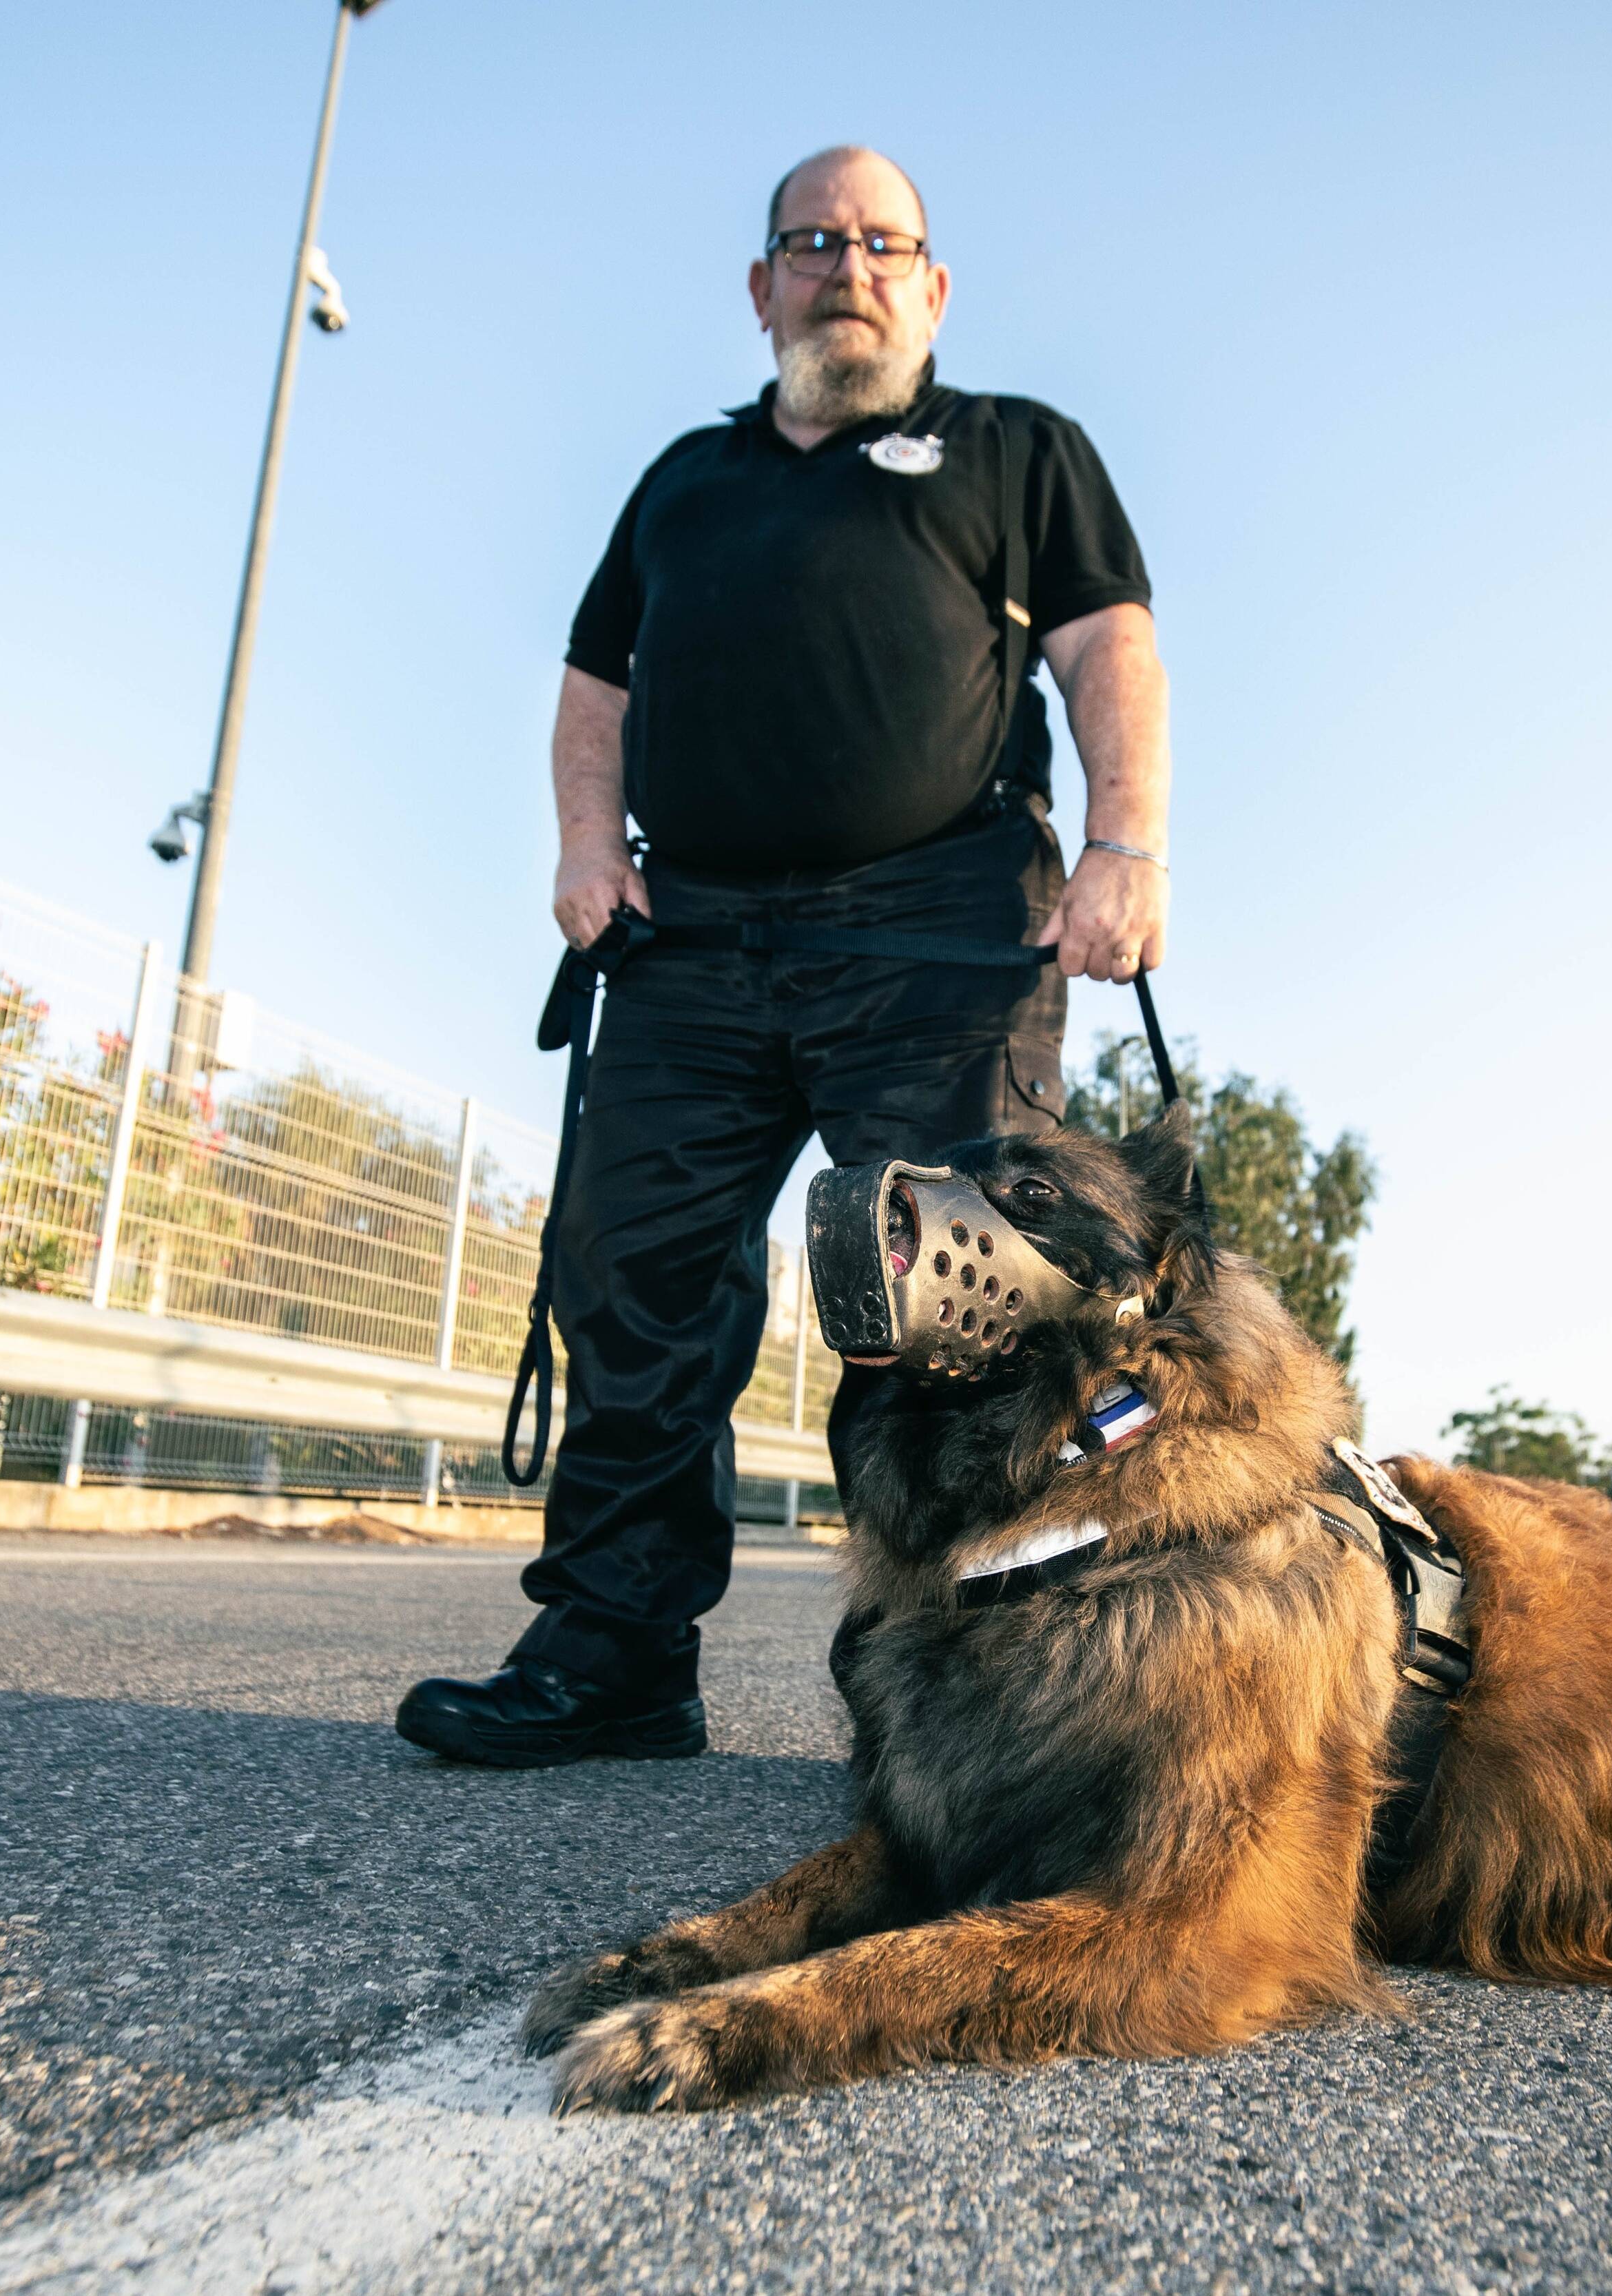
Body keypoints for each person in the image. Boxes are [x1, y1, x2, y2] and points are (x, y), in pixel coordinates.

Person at [394, 145, 1175, 1767]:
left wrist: (1124, 846)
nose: (851, 267)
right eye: (813, 242)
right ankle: (612, 1651)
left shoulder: (1015, 450)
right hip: (691, 936)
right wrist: (584, 848)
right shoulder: (685, 480)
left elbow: (1110, 647)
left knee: (960, 1299)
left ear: (933, 285)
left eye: (885, 243)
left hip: (940, 925)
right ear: (762, 288)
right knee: (637, 1271)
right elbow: (594, 689)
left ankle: (989, 1678)